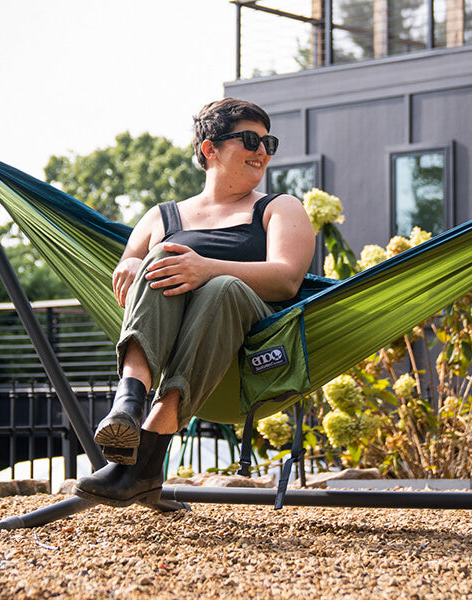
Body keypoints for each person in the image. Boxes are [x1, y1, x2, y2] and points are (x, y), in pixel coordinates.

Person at [74, 98, 316, 507]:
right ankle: (128, 408)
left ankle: (146, 451)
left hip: (254, 347)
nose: (263, 152)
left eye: (268, 143)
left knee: (220, 287)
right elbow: (129, 263)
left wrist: (206, 268)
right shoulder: (160, 217)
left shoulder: (278, 208)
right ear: (210, 149)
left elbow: (288, 279)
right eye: (250, 140)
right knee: (162, 258)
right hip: (176, 347)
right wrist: (133, 264)